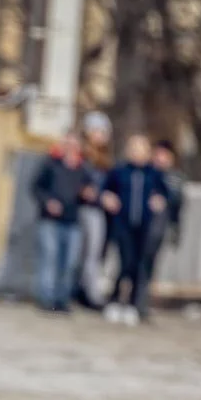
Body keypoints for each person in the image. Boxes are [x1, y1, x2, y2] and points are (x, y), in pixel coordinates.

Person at [101, 134, 172, 324]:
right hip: (123, 224)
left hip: (143, 225)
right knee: (125, 262)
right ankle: (115, 300)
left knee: (137, 266)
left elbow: (165, 194)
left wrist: (159, 200)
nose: (137, 153)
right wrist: (108, 198)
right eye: (134, 149)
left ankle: (131, 304)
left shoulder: (153, 173)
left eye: (141, 149)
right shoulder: (120, 171)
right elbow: (106, 189)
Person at [30, 132, 94, 312]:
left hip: (73, 221)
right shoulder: (50, 164)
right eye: (67, 143)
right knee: (49, 259)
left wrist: (88, 195)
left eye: (74, 144)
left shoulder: (83, 169)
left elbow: (90, 193)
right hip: (49, 220)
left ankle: (62, 299)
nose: (70, 147)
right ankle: (46, 299)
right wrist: (47, 202)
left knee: (69, 262)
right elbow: (36, 187)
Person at [75, 111, 115, 309]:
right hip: (84, 210)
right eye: (97, 131)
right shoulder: (81, 156)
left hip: (98, 211)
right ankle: (86, 293)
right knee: (83, 254)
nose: (100, 135)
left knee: (94, 255)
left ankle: (88, 292)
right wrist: (99, 196)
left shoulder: (104, 159)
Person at [153, 139, 187, 245]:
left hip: (166, 226)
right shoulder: (149, 174)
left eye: (164, 155)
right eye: (158, 155)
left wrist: (164, 200)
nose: (160, 159)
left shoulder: (175, 177)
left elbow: (176, 199)